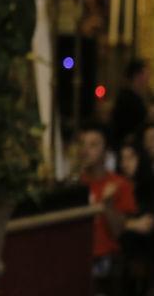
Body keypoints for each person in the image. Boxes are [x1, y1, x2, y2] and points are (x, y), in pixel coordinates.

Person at [79, 124, 138, 296]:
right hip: (77, 258)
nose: (86, 150)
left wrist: (107, 205)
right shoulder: (75, 186)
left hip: (106, 261)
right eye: (83, 144)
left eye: (94, 144)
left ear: (106, 151)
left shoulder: (119, 184)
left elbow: (119, 231)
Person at [117, 139, 154, 295]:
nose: (125, 163)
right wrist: (130, 224)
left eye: (131, 158)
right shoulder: (116, 186)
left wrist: (125, 224)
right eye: (122, 158)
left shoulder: (149, 188)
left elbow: (147, 225)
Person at [111, 59, 152, 149]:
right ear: (137, 76)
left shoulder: (142, 96)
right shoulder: (126, 98)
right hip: (128, 147)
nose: (148, 77)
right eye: (146, 74)